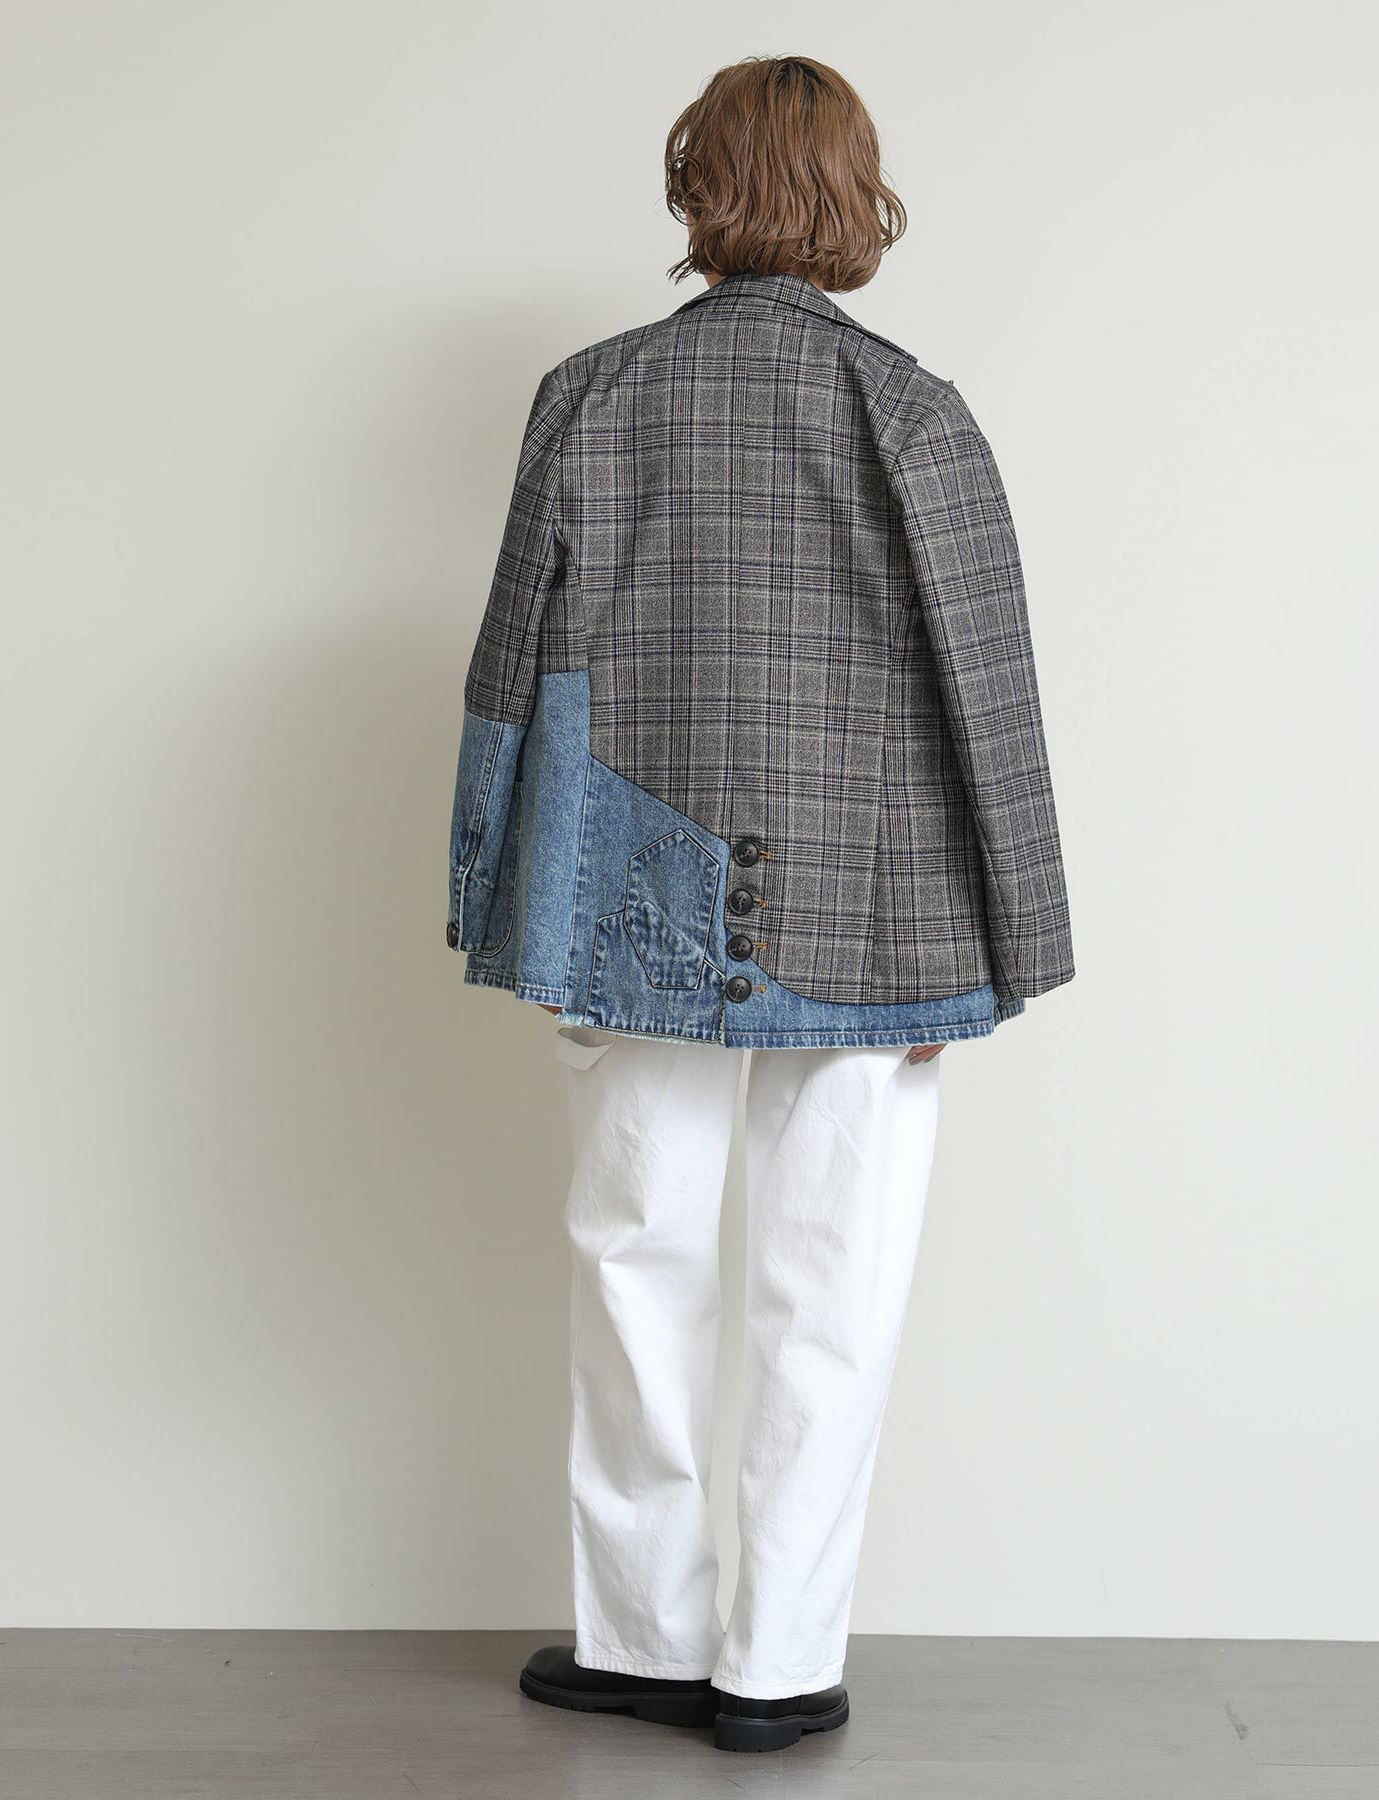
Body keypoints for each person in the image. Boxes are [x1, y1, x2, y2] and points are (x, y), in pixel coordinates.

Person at [446, 53, 1073, 1755]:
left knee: (632, 1259)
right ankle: (778, 1668)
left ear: (694, 186)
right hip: (876, 905)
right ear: (859, 198)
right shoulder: (917, 412)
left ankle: (647, 1640)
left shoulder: (590, 395)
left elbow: (509, 663)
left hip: (628, 890)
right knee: (833, 1290)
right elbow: (992, 697)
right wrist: (1008, 950)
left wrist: (498, 891)